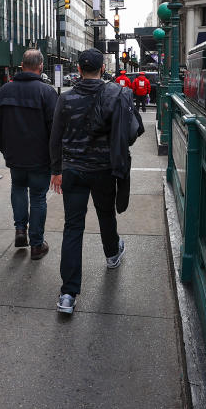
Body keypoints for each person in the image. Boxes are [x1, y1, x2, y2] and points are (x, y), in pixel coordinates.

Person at [49, 49, 143, 314]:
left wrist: (56, 170)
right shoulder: (115, 95)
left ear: (78, 70)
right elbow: (130, 134)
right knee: (105, 214)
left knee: (73, 227)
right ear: (103, 69)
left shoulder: (65, 100)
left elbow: (55, 138)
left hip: (73, 170)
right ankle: (112, 253)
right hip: (103, 169)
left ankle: (68, 294)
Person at [0, 50, 58, 260]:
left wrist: (3, 148)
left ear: (22, 66)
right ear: (40, 66)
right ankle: (37, 245)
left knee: (18, 188)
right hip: (39, 157)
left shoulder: (4, 90)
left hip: (14, 155)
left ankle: (20, 230)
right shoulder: (47, 92)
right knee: (38, 197)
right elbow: (55, 130)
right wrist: (55, 158)